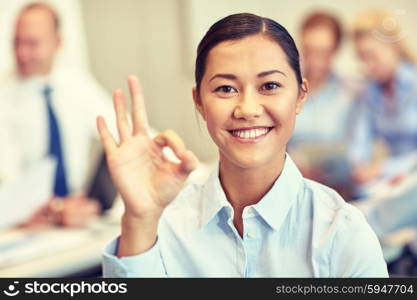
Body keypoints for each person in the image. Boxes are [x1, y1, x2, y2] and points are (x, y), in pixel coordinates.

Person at [100, 13, 387, 277]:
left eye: (270, 86)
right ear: (199, 101)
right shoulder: (164, 226)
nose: (247, 109)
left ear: (300, 96)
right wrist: (138, 218)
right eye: (225, 89)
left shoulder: (342, 231)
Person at [0, 2, 112, 227]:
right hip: (26, 225)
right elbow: (9, 181)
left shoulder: (77, 84)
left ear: (57, 43)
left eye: (32, 43)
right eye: (16, 42)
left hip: (77, 218)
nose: (21, 53)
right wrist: (55, 209)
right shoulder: (4, 99)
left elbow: (120, 132)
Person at [289, 11, 357, 195]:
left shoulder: (351, 94)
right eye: (310, 50)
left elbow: (357, 152)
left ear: (335, 50)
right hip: (289, 183)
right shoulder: (285, 88)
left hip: (336, 189)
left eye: (324, 52)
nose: (315, 60)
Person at [349, 10, 417, 192]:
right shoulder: (369, 92)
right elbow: (359, 142)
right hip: (394, 182)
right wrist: (359, 168)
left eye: (372, 55)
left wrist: (384, 169)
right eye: (362, 58)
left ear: (394, 46)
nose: (367, 65)